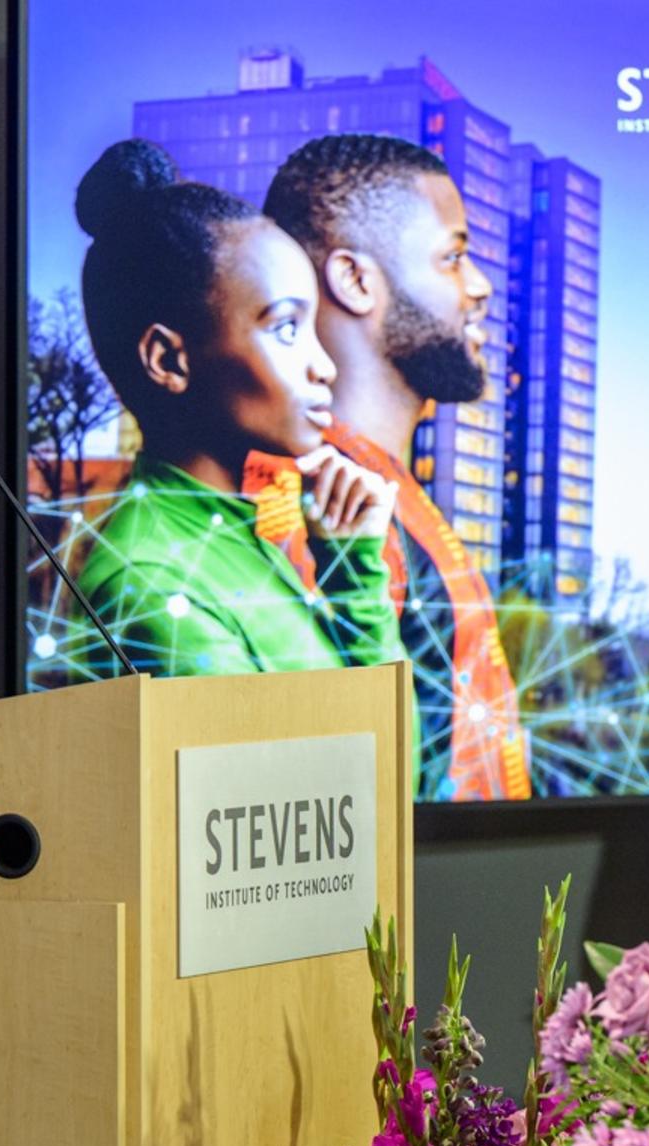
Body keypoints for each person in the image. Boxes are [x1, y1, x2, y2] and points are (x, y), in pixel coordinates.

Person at [40, 139, 404, 681]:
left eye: (311, 329)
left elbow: (389, 752)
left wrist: (354, 568)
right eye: (285, 328)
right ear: (168, 360)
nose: (324, 366)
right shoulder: (156, 590)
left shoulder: (228, 536)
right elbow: (371, 764)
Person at [261, 133, 530, 801]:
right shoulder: (318, 499)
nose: (480, 286)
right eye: (454, 256)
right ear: (355, 280)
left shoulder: (388, 488)